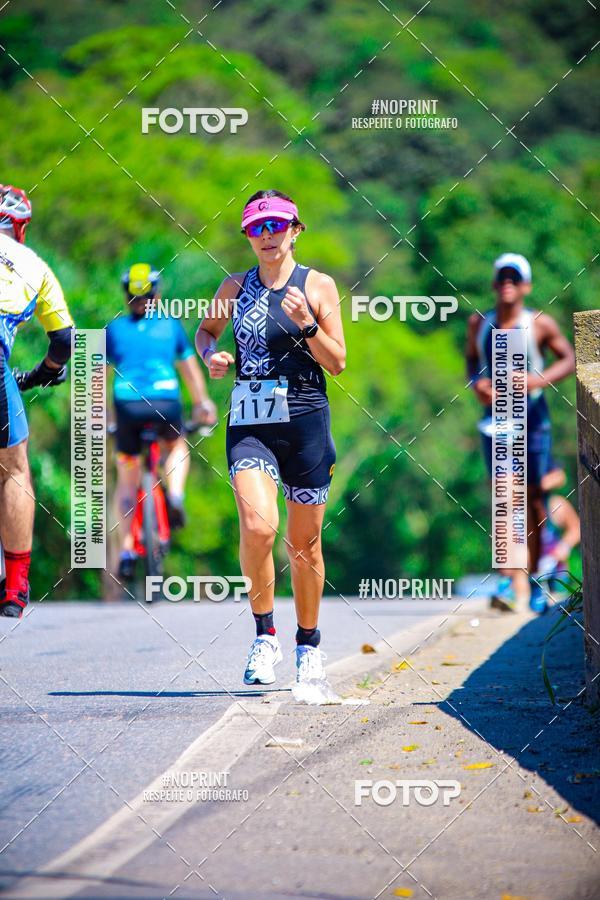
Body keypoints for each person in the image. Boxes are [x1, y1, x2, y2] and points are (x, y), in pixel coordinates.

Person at [196, 189, 346, 696]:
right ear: (247, 236)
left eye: (277, 226)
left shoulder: (319, 286)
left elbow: (337, 361)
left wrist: (306, 323)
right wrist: (212, 355)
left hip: (305, 420)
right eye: (257, 228)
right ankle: (265, 636)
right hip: (251, 419)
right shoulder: (233, 286)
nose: (267, 236)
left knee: (304, 545)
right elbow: (206, 332)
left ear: (295, 229)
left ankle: (309, 646)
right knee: (259, 527)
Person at [465, 253, 575, 614]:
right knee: (504, 497)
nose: (508, 283)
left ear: (526, 285)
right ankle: (507, 582)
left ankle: (536, 578)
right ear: (494, 284)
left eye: (515, 277)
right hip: (494, 420)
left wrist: (534, 381)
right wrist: (477, 384)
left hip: (532, 418)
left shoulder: (538, 323)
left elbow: (568, 358)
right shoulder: (479, 323)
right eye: (502, 277)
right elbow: (470, 362)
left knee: (534, 499)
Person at [106, 264, 216, 580]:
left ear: (127, 296)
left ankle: (127, 548)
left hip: (127, 404)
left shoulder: (113, 331)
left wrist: (101, 416)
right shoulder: (171, 326)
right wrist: (202, 403)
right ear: (156, 294)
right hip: (166, 403)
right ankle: (176, 492)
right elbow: (190, 371)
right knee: (177, 444)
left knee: (127, 475)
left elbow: (99, 375)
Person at [0, 184, 74, 618]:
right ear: (21, 226)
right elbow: (64, 339)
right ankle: (15, 588)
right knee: (13, 467)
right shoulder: (36, 266)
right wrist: (44, 372)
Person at [537, 459, 581, 588]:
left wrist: (563, 547)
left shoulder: (555, 504)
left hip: (554, 573)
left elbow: (576, 528)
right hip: (530, 575)